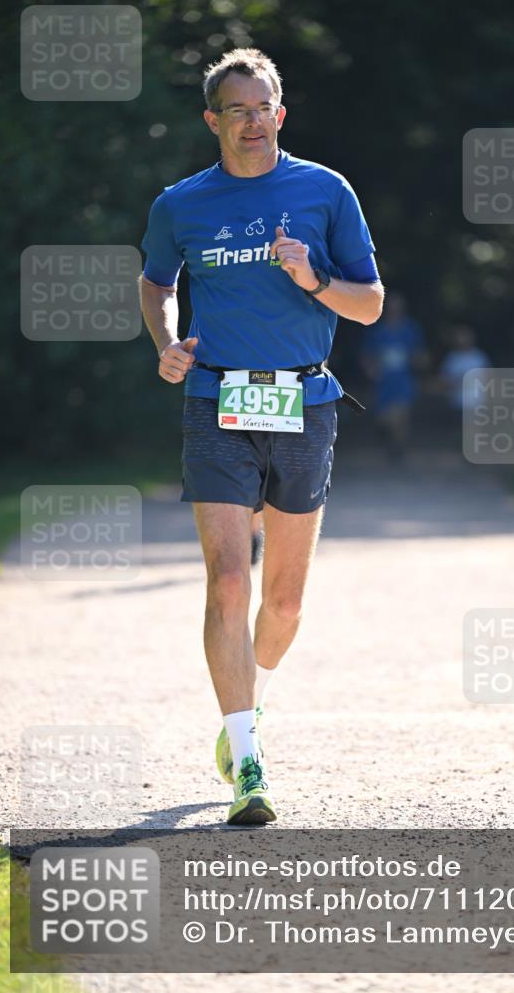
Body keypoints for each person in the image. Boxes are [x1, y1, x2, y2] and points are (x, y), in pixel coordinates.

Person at [139, 48, 383, 825]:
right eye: (235, 109)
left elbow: (370, 304)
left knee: (282, 600)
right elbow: (156, 282)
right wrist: (167, 343)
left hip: (304, 403)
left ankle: (249, 705)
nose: (251, 122)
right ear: (211, 120)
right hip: (215, 400)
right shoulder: (180, 203)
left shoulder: (324, 191)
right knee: (227, 581)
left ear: (280, 113)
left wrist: (313, 278)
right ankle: (248, 762)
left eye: (262, 107)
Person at [360, 292, 428, 460]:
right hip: (383, 380)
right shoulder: (377, 330)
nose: (395, 309)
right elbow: (367, 355)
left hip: (403, 378)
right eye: (391, 306)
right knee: (384, 418)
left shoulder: (411, 329)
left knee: (401, 414)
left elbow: (420, 353)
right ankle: (387, 437)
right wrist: (370, 370)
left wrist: (419, 362)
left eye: (398, 306)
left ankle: (398, 449)